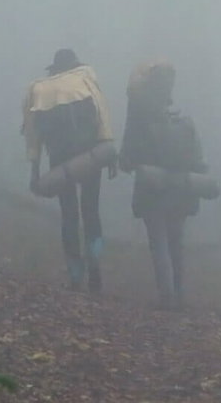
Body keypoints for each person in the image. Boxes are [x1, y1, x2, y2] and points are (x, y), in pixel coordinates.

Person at [21, 48, 116, 292]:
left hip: (59, 160)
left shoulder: (38, 90)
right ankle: (95, 269)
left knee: (69, 216)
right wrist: (109, 154)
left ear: (54, 69)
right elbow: (102, 116)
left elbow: (33, 135)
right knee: (91, 212)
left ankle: (75, 274)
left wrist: (35, 169)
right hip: (90, 155)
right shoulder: (85, 78)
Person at [119, 58, 207, 310]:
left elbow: (127, 159)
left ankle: (167, 297)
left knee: (159, 243)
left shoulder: (140, 122)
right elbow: (198, 161)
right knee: (176, 242)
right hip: (181, 190)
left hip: (152, 192)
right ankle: (179, 294)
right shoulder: (183, 121)